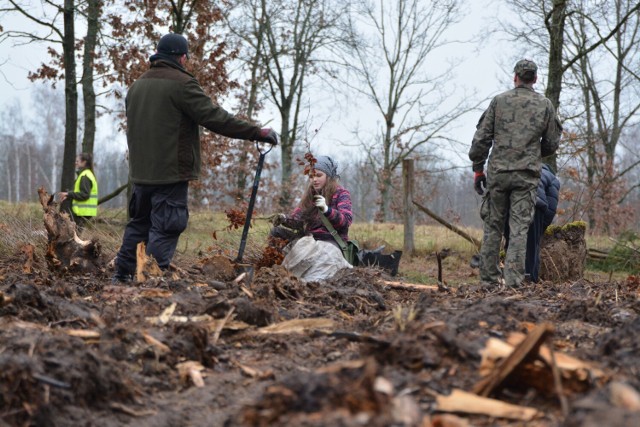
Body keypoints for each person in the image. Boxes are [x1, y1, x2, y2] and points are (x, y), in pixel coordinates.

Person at [113, 33, 278, 283]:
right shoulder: (182, 84)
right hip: (170, 172)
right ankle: (152, 279)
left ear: (158, 54)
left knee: (138, 224)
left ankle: (122, 275)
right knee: (166, 226)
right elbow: (214, 117)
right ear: (182, 57)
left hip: (140, 173)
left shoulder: (137, 86)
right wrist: (256, 132)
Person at [469, 59, 562, 288]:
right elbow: (551, 144)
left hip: (499, 174)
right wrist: (531, 153)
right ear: (535, 79)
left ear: (515, 77)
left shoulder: (499, 102)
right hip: (527, 176)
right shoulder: (545, 105)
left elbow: (481, 140)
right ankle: (513, 282)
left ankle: (488, 281)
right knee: (519, 228)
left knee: (493, 227)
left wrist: (478, 170)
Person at [271, 155, 353, 250]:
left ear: (329, 177)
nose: (314, 179)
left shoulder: (341, 194)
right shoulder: (310, 196)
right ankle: (274, 261)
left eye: (318, 175)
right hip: (309, 240)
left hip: (330, 242)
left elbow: (345, 221)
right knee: (277, 232)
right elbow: (297, 221)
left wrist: (327, 210)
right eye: (311, 176)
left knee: (320, 249)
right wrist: (284, 219)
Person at [504, 164, 561, 282]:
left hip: (511, 205)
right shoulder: (552, 177)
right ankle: (529, 279)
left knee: (511, 242)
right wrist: (541, 228)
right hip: (535, 206)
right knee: (532, 247)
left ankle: (510, 277)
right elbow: (551, 207)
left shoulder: (518, 168)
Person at [58, 153, 98, 231]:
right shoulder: (87, 174)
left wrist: (68, 194)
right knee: (75, 234)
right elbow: (81, 193)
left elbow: (84, 195)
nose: (75, 163)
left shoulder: (84, 176)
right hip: (84, 212)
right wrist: (69, 196)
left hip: (83, 212)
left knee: (74, 235)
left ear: (84, 162)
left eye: (77, 161)